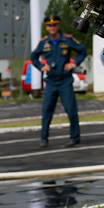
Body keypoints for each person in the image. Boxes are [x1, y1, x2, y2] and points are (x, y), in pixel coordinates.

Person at [31, 14, 87, 148]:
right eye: (49, 25)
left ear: (58, 25)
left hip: (65, 81)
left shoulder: (67, 39)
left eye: (54, 24)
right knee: (47, 111)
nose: (52, 27)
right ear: (46, 27)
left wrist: (75, 64)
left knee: (71, 110)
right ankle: (44, 139)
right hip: (50, 81)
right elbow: (33, 56)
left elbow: (82, 51)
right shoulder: (43, 42)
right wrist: (41, 67)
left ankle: (75, 137)